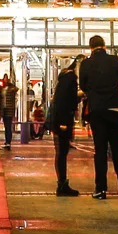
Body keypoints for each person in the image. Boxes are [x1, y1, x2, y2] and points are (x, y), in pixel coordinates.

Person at [79, 35, 118, 200]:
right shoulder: (115, 60)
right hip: (115, 109)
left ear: (91, 48)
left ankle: (100, 189)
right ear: (104, 46)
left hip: (97, 111)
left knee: (100, 150)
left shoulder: (86, 64)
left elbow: (83, 85)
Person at [49, 57, 82, 197]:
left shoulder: (65, 77)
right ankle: (62, 185)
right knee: (62, 152)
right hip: (62, 120)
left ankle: (62, 183)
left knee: (61, 152)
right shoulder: (71, 78)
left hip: (59, 120)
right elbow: (65, 100)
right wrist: (63, 123)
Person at [0, 75, 19, 149]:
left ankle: (8, 142)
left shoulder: (11, 88)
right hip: (4, 109)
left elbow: (16, 89)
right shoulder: (2, 89)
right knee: (6, 126)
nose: (5, 80)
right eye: (4, 78)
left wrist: (11, 86)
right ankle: (7, 142)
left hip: (9, 109)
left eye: (6, 78)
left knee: (8, 126)